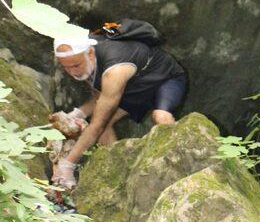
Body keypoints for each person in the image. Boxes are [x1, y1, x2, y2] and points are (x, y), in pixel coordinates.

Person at [51, 27, 187, 189]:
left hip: (164, 79)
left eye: (76, 65)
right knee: (105, 126)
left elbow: (97, 124)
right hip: (134, 87)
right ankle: (120, 171)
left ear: (90, 54)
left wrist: (68, 165)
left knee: (161, 117)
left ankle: (179, 167)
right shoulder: (87, 57)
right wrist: (78, 113)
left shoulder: (114, 71)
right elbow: (99, 99)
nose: (72, 72)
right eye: (66, 67)